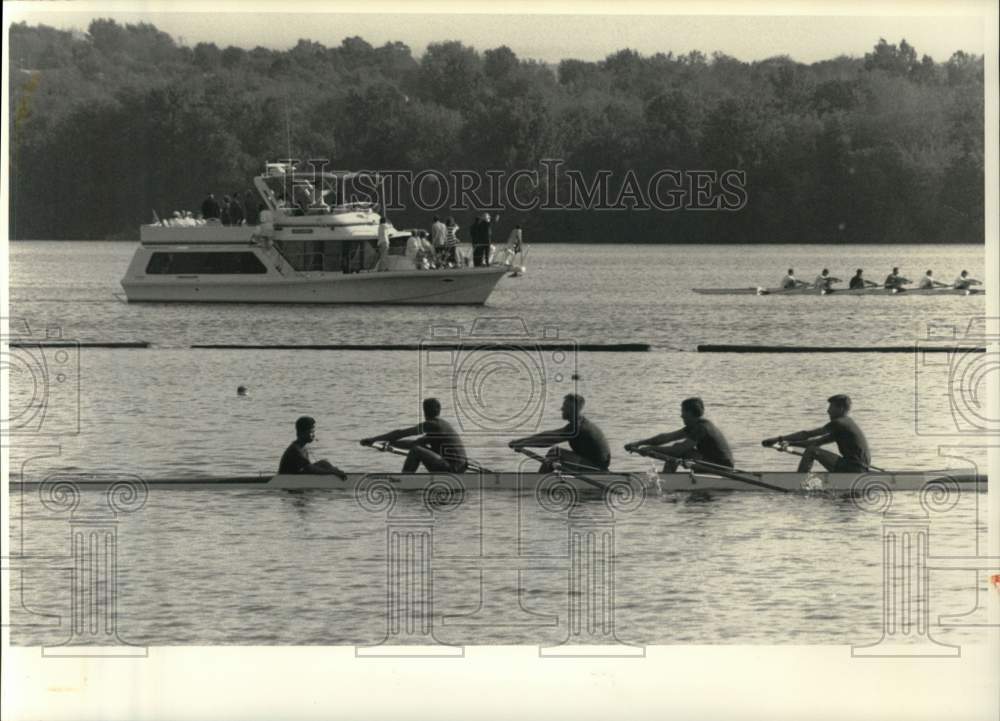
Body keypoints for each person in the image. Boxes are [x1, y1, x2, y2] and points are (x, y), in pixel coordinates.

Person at [761, 394, 871, 473]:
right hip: (858, 468)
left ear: (841, 409)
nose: (828, 411)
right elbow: (815, 442)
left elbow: (807, 434)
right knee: (812, 448)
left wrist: (778, 439)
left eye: (831, 407)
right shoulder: (846, 424)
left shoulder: (839, 423)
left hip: (853, 468)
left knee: (812, 451)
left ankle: (799, 481)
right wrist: (788, 443)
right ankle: (800, 479)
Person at [624, 397, 734, 473]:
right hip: (713, 463)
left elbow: (678, 450)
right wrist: (639, 443)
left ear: (690, 413)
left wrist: (651, 449)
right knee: (679, 450)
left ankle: (667, 480)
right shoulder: (696, 425)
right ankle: (668, 478)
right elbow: (665, 437)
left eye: (683, 412)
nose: (681, 416)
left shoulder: (701, 428)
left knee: (679, 451)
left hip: (720, 468)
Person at [508, 394, 611, 473]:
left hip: (595, 468)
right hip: (594, 465)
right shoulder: (577, 423)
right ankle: (541, 478)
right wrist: (521, 441)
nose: (561, 409)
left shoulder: (576, 427)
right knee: (555, 452)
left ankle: (538, 481)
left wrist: (523, 443)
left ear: (572, 409)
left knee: (555, 453)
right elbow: (548, 435)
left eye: (564, 406)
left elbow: (548, 441)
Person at [361, 398, 468, 473]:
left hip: (452, 468)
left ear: (425, 411)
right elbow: (414, 443)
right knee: (418, 448)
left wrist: (373, 439)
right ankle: (407, 480)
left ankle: (405, 480)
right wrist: (390, 444)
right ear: (439, 411)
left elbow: (401, 433)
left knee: (416, 450)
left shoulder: (432, 424)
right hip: (460, 467)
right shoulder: (442, 425)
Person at [278, 416, 348, 477]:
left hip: (297, 475)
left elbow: (309, 468)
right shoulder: (295, 450)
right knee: (323, 466)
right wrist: (331, 472)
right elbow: (309, 468)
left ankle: (338, 474)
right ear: (301, 433)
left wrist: (334, 470)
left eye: (314, 432)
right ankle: (336, 475)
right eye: (311, 432)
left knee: (323, 463)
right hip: (286, 480)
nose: (313, 435)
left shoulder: (303, 447)